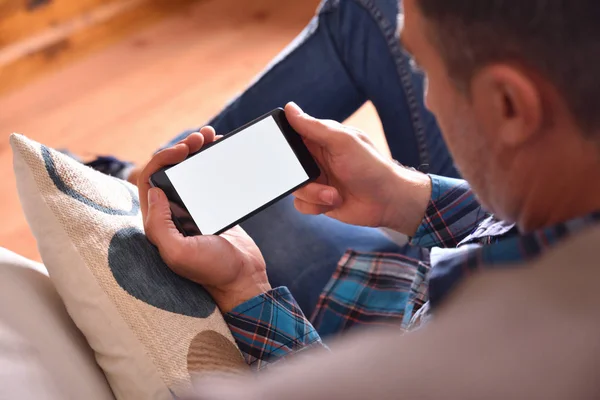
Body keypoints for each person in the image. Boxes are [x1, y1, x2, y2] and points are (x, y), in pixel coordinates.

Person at [104, 0, 600, 375]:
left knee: (189, 210)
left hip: (377, 324)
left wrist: (242, 285)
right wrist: (408, 197)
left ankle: (110, 178)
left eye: (425, 70)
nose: (424, 94)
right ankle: (119, 178)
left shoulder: (493, 356)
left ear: (509, 105)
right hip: (422, 271)